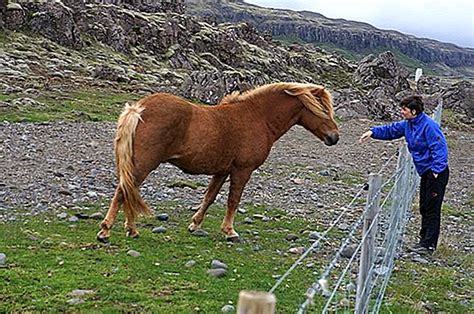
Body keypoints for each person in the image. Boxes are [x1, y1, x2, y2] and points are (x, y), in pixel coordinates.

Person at [359, 95, 449, 256]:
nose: (401, 112)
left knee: (432, 208)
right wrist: (372, 132)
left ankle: (428, 245)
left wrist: (436, 170)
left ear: (414, 111)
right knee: (424, 206)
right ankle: (424, 240)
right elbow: (391, 130)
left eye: (404, 109)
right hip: (426, 172)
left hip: (435, 173)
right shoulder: (409, 124)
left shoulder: (429, 126)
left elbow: (440, 148)